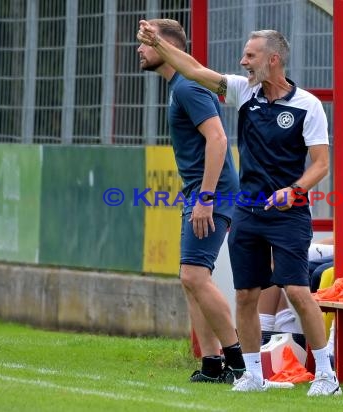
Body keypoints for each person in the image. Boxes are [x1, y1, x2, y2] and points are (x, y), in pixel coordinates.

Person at [137, 22, 341, 396]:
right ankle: (252, 376)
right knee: (246, 295)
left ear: (273, 59)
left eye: (250, 55)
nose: (242, 61)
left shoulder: (307, 105)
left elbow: (321, 164)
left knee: (297, 291)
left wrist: (293, 190)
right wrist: (159, 46)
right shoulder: (243, 91)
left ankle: (327, 376)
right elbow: (195, 70)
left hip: (289, 214)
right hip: (248, 210)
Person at [137, 19, 245, 384]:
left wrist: (206, 197)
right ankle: (213, 365)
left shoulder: (188, 87)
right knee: (191, 279)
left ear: (166, 46)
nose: (139, 50)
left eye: (146, 44)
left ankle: (240, 364)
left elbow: (217, 139)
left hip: (212, 194)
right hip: (201, 192)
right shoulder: (179, 85)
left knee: (194, 275)